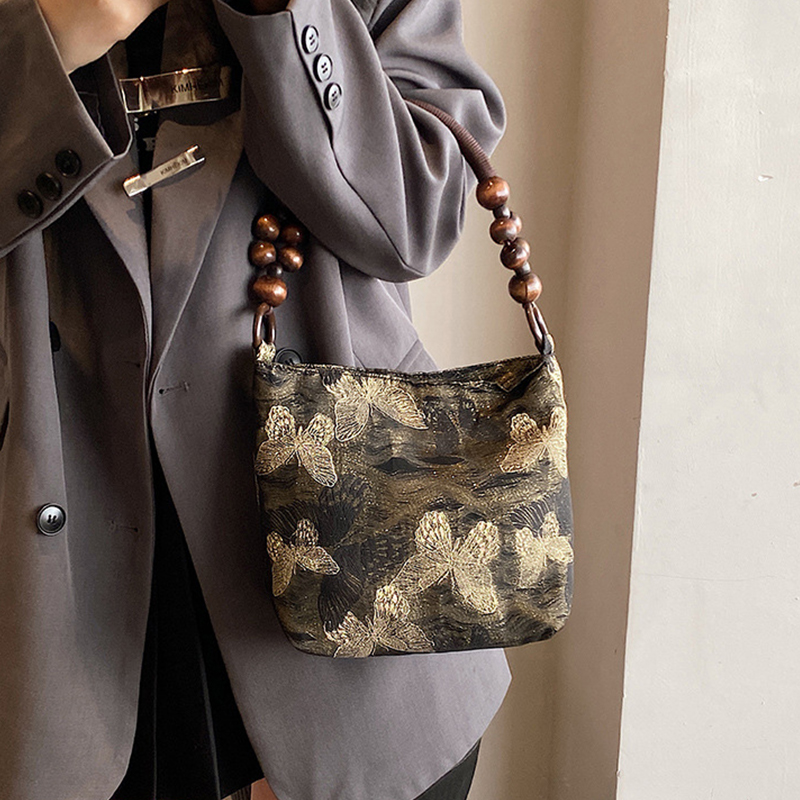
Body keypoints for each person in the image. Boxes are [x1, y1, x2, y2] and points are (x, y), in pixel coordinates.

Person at [0, 0, 512, 798]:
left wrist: (280, 16)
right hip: (40, 577)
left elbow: (418, 212)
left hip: (351, 558)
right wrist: (49, 44)